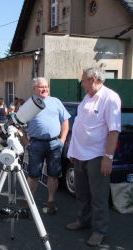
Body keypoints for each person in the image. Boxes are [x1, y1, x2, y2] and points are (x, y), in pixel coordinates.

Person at [66, 66, 121, 246]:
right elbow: (80, 124)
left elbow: (113, 131)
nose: (82, 84)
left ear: (93, 79)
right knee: (81, 193)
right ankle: (83, 221)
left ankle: (99, 231)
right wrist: (72, 150)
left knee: (98, 196)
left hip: (97, 156)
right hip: (80, 154)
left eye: (83, 80)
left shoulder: (110, 98)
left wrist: (108, 157)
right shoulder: (87, 97)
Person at [25, 77, 70, 214]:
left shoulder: (56, 102)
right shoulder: (28, 105)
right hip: (36, 144)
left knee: (53, 175)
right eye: (41, 87)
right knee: (33, 175)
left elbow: (65, 122)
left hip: (54, 144)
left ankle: (51, 202)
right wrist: (26, 143)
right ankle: (29, 203)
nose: (45, 89)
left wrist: (62, 140)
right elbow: (19, 126)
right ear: (34, 89)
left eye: (46, 86)